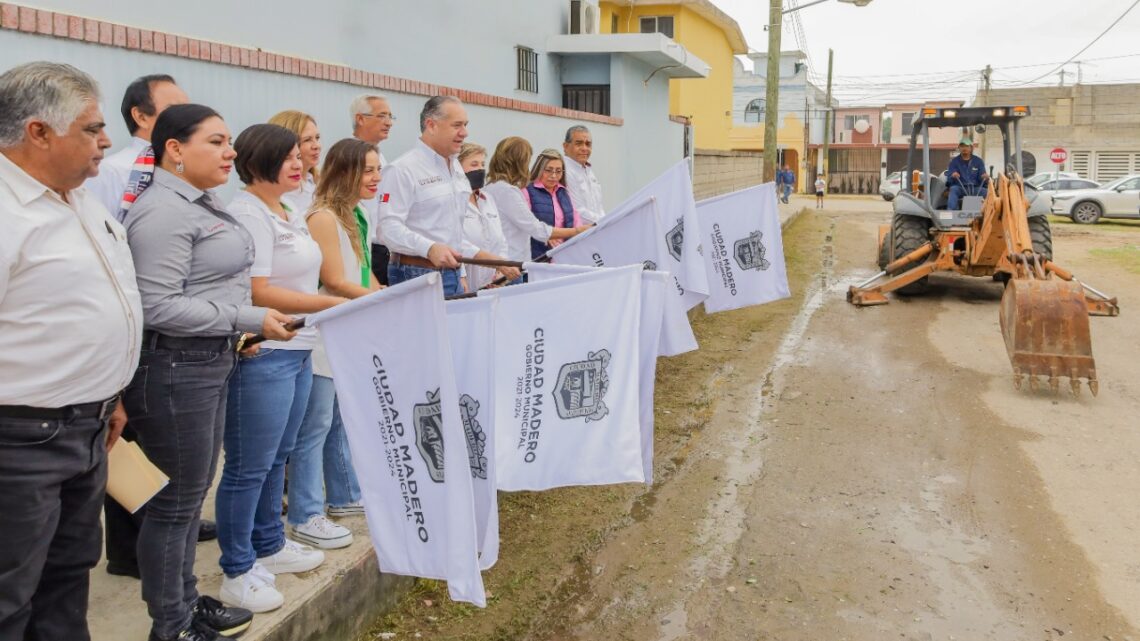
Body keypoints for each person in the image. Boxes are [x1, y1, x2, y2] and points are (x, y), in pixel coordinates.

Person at [125, 103, 296, 641]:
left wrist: (236, 330)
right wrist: (246, 318)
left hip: (208, 358)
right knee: (175, 506)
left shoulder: (199, 202)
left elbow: (205, 287)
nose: (231, 152)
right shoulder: (163, 212)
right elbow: (158, 305)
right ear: (175, 149)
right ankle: (170, 625)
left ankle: (183, 601)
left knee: (190, 493)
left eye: (230, 143)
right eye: (217, 142)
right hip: (176, 365)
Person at [0, 61, 139, 641]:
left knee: (66, 579)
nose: (106, 141)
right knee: (9, 593)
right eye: (91, 128)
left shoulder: (81, 202)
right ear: (38, 132)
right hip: (20, 441)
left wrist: (112, 394)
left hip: (90, 427)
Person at [217, 124, 347, 613]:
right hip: (266, 347)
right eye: (289, 157)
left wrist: (319, 309)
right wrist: (328, 303)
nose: (300, 163)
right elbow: (259, 291)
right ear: (260, 161)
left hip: (299, 345)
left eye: (300, 156)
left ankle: (270, 542)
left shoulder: (289, 209)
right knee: (249, 464)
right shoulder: (247, 213)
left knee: (278, 456)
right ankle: (238, 566)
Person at [286, 138, 381, 549]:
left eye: (379, 170)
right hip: (325, 332)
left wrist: (387, 294)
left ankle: (343, 495)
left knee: (342, 419)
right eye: (370, 171)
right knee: (316, 424)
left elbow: (363, 271)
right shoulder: (324, 217)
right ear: (346, 172)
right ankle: (306, 511)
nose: (377, 178)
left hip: (350, 327)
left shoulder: (355, 214)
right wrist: (383, 300)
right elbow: (336, 279)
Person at [378, 95, 518, 296]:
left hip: (450, 274)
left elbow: (453, 235)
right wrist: (429, 248)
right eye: (457, 125)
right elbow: (387, 229)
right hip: (416, 274)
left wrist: (473, 268)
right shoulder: (402, 169)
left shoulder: (456, 169)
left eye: (465, 125)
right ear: (431, 125)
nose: (464, 132)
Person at [84, 74, 188, 218]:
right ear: (141, 117)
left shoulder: (186, 166)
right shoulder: (112, 172)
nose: (188, 118)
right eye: (175, 110)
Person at [484, 136, 590, 263]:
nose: (554, 175)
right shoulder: (509, 192)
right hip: (514, 260)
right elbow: (535, 228)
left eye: (558, 171)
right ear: (519, 163)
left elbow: (574, 216)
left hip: (518, 259)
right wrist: (576, 231)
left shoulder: (492, 188)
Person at [351, 94, 394, 285]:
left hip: (384, 249)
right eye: (382, 116)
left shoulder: (380, 156)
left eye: (391, 117)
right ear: (360, 119)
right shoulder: (350, 156)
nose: (389, 123)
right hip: (364, 249)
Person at [458, 142, 510, 290]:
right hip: (465, 282)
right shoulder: (454, 201)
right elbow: (455, 243)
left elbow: (501, 239)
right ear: (458, 168)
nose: (480, 169)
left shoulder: (488, 199)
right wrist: (461, 277)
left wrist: (501, 270)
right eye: (474, 164)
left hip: (492, 283)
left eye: (482, 164)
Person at [524, 148, 580, 260]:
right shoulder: (527, 192)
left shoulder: (564, 192)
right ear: (539, 169)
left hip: (564, 256)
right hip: (538, 257)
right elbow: (526, 224)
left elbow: (576, 220)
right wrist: (546, 235)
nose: (554, 176)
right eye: (549, 170)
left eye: (558, 171)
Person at [269, 110, 321, 215]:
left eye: (317, 138)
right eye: (307, 140)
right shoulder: (284, 190)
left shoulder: (316, 182)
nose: (317, 146)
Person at [561, 125, 605, 223]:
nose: (584, 148)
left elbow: (599, 207)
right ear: (565, 146)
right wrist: (605, 221)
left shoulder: (588, 170)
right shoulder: (563, 171)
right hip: (579, 234)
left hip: (597, 229)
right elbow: (577, 211)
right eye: (579, 143)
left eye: (588, 144)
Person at [947, 137, 989, 210]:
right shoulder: (954, 162)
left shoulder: (978, 161)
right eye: (962, 146)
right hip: (961, 188)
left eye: (967, 146)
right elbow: (949, 179)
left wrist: (984, 177)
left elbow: (982, 179)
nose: (964, 148)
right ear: (959, 148)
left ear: (971, 148)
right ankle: (951, 212)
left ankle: (988, 212)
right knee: (953, 189)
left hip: (975, 189)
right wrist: (953, 175)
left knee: (986, 192)